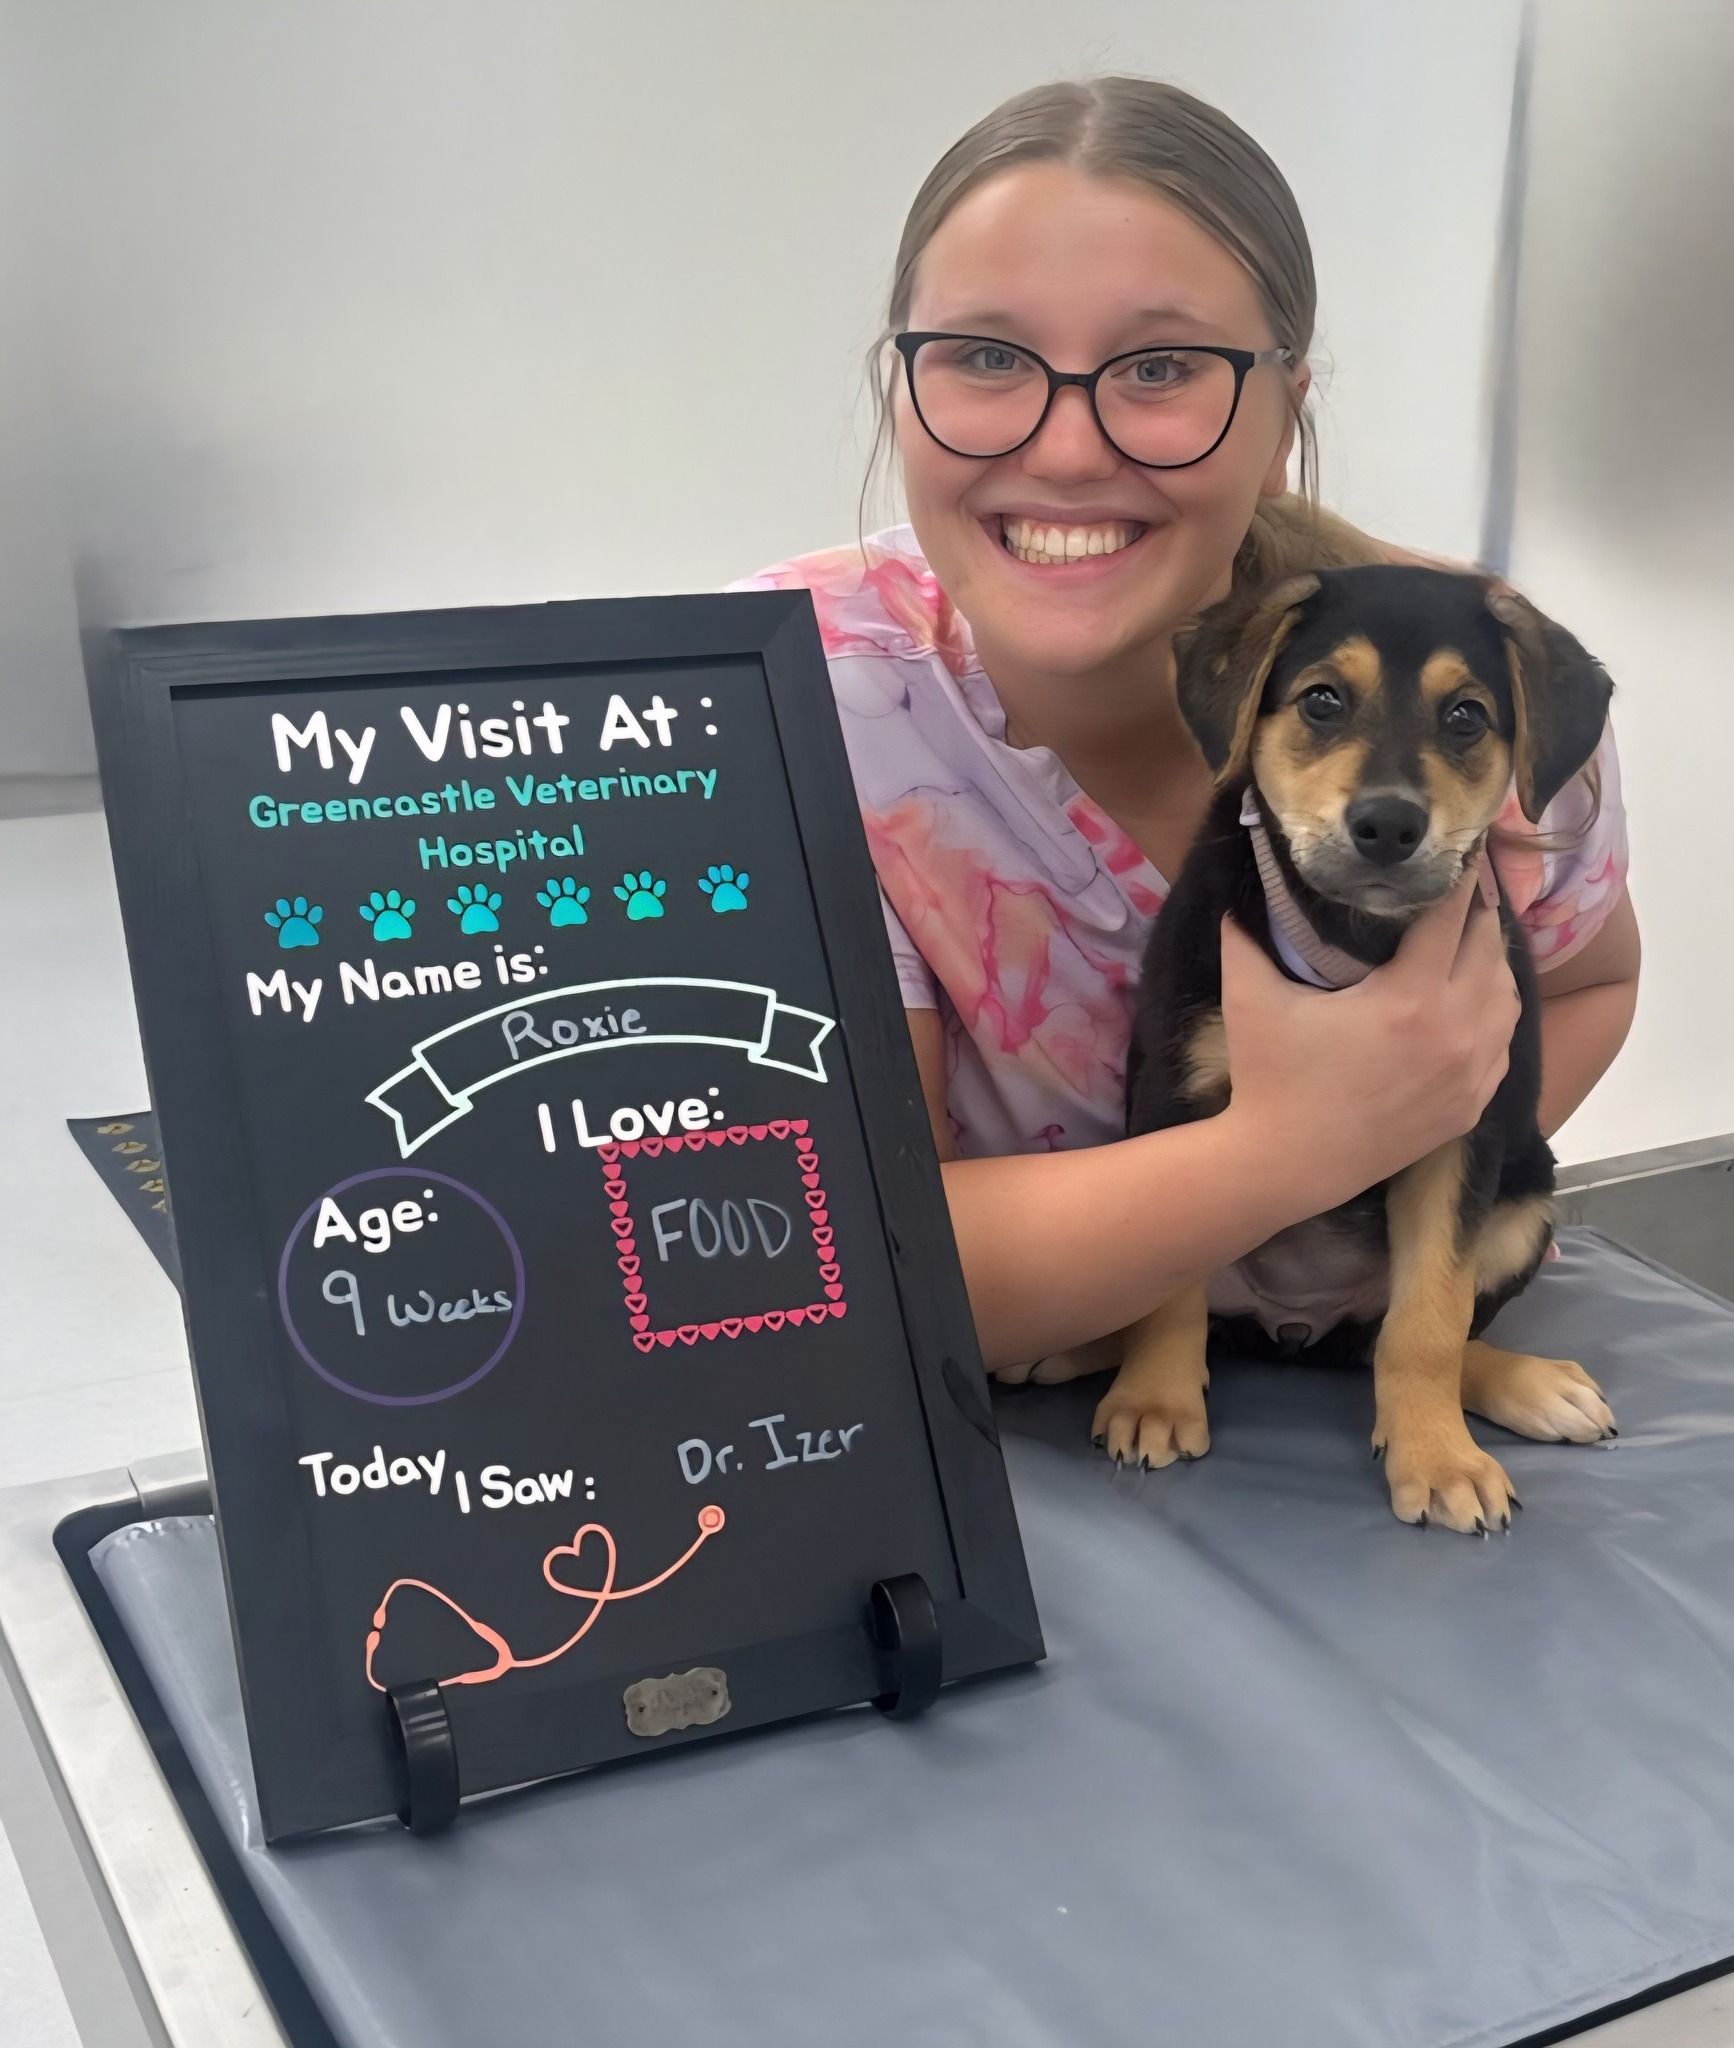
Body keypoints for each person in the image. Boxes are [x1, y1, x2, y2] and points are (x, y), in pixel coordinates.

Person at [732, 76, 1638, 1379]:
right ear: (898, 390)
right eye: (986, 355)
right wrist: (1287, 1156)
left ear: (1285, 415)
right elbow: (823, 1262)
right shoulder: (792, 710)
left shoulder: (1476, 683)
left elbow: (1591, 980)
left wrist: (1376, 1241)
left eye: (1159, 367)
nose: (1063, 447)